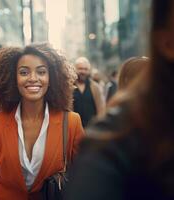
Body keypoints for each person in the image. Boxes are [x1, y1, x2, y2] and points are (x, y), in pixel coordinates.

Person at [65, 1, 174, 199]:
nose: (83, 71)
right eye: (79, 68)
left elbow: (100, 107)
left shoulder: (95, 89)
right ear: (166, 42)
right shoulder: (112, 141)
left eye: (85, 68)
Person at [0, 43, 84, 200]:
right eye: (24, 72)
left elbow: (84, 177)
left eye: (41, 72)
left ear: (52, 77)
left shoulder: (72, 122)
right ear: (13, 78)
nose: (33, 78)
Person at [73, 57, 105, 127]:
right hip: (74, 129)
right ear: (75, 69)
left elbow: (101, 109)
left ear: (89, 71)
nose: (83, 71)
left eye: (85, 69)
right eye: (80, 69)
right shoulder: (69, 87)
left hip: (92, 130)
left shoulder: (95, 87)